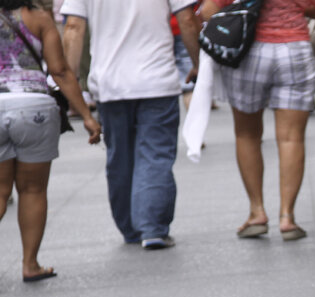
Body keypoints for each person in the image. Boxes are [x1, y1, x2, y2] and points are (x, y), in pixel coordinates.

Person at [61, 0, 199, 250]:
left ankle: (131, 228)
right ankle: (152, 227)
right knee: (155, 154)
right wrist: (197, 62)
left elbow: (73, 27)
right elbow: (187, 18)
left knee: (120, 157)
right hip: (157, 79)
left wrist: (67, 79)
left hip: (109, 82)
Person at [198, 0, 315, 241]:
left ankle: (257, 212)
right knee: (291, 138)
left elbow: (209, 10)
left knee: (246, 135)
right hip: (295, 50)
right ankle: (287, 217)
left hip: (249, 50)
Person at [0, 0, 99, 281]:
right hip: (34, 107)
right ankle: (30, 264)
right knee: (32, 190)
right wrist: (87, 117)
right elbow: (60, 71)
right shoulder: (40, 18)